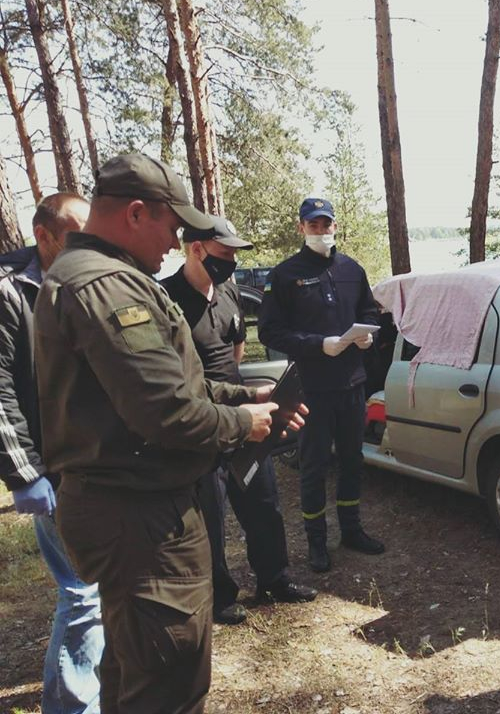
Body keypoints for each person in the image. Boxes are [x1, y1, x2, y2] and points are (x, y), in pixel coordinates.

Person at [33, 153, 304, 714]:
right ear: (136, 213)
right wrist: (244, 424)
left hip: (132, 510)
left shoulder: (95, 276)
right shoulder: (107, 286)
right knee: (168, 682)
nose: (176, 241)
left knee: (135, 671)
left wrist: (243, 396)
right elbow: (167, 413)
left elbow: (169, 383)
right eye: (173, 226)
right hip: (140, 519)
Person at [160, 216, 317, 625]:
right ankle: (220, 596)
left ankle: (275, 579)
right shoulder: (166, 299)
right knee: (210, 516)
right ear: (196, 249)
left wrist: (249, 400)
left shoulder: (228, 290)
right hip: (201, 424)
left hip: (245, 417)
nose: (231, 260)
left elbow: (237, 345)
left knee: (264, 503)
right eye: (225, 252)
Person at [0, 193, 104, 714]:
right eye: (75, 232)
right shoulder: (10, 290)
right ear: (44, 235)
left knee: (96, 588)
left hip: (94, 462)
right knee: (83, 592)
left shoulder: (83, 281)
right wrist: (23, 473)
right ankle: (72, 706)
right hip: (51, 467)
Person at [258, 197, 383, 573]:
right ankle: (316, 542)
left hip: (351, 384)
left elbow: (369, 309)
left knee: (351, 460)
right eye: (313, 225)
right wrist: (317, 344)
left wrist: (368, 335)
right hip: (311, 388)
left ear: (334, 226)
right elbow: (270, 330)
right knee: (313, 466)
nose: (321, 230)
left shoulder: (351, 269)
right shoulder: (284, 275)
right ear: (302, 228)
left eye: (326, 224)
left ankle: (351, 529)